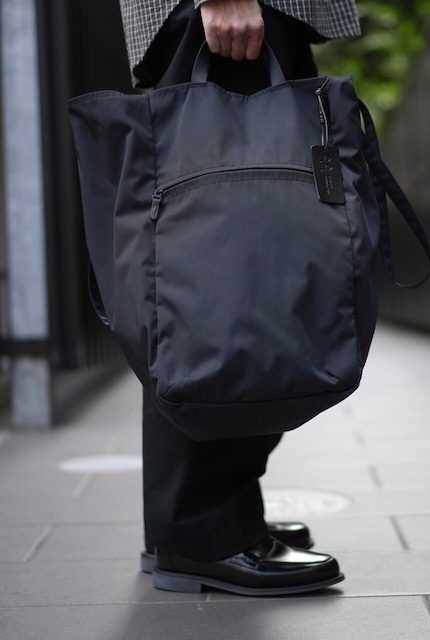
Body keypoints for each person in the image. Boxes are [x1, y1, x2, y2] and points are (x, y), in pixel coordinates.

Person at [116, 0, 361, 596]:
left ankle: (191, 519)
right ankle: (206, 532)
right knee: (229, 285)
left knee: (217, 277)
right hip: (226, 13)